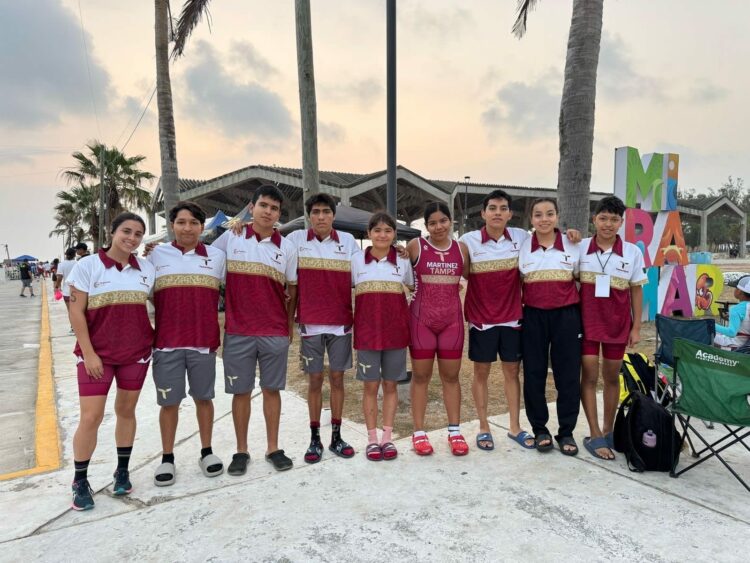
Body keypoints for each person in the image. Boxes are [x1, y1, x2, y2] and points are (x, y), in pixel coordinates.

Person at [67, 212, 155, 511]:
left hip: (136, 354)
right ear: (112, 232)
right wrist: (89, 353)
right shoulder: (87, 266)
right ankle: (80, 481)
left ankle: (122, 472)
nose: (132, 238)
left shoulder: (146, 268)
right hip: (96, 356)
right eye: (126, 231)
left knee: (126, 411)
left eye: (138, 234)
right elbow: (76, 312)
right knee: (91, 417)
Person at [212, 185, 297, 475]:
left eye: (274, 208)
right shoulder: (230, 237)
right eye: (263, 205)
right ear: (251, 208)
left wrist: (289, 325)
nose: (268, 212)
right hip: (238, 331)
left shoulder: (287, 248)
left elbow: (292, 288)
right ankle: (241, 451)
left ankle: (273, 448)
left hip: (274, 332)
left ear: (279, 214)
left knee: (272, 390)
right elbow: (203, 261)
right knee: (241, 392)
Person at [149, 202, 227, 486]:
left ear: (202, 227)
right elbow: (144, 292)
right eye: (181, 222)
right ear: (172, 225)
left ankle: (206, 452)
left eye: (194, 223)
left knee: (204, 399)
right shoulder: (155, 255)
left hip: (203, 343)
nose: (187, 228)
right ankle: (167, 458)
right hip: (166, 343)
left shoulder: (217, 257)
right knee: (169, 403)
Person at [285, 194, 359, 464]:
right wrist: (242, 227)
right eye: (315, 212)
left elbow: (366, 268)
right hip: (310, 324)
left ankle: (336, 437)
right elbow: (267, 242)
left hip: (341, 323)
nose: (321, 217)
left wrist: (398, 252)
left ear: (333, 215)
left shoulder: (348, 242)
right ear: (309, 216)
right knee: (315, 380)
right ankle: (314, 438)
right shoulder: (295, 239)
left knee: (338, 379)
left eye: (326, 212)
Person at [579, 195, 646, 461]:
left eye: (614, 219)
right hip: (586, 324)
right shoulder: (580, 247)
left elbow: (636, 291)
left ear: (621, 222)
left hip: (618, 326)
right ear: (594, 219)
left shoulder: (632, 252)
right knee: (589, 377)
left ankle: (608, 430)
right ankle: (594, 433)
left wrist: (636, 327)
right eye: (603, 218)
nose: (608, 224)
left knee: (611, 378)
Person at [406, 202, 469, 456]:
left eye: (443, 221)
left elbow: (473, 278)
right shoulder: (415, 246)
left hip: (452, 322)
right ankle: (419, 432)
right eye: (432, 223)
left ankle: (454, 431)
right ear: (426, 226)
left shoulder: (461, 249)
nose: (438, 227)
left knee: (451, 378)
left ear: (451, 221)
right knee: (421, 377)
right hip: (421, 321)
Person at [519, 198, 581, 456]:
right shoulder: (522, 246)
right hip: (533, 316)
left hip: (566, 316)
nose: (544, 219)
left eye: (549, 213)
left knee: (568, 375)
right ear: (531, 219)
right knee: (534, 373)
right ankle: (540, 429)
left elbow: (582, 278)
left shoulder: (574, 244)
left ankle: (566, 431)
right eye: (538, 215)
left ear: (557, 216)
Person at [352, 212, 413, 461]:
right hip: (367, 335)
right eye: (377, 230)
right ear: (369, 234)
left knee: (390, 386)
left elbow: (412, 288)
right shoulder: (356, 260)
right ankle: (372, 439)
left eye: (388, 230)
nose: (382, 235)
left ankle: (387, 438)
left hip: (396, 334)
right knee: (370, 386)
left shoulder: (403, 261)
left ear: (394, 234)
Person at [714, 275, 750, 350]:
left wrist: (711, 325)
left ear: (739, 291)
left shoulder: (736, 309)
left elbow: (731, 333)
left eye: (736, 288)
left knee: (705, 333)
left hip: (736, 346)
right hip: (747, 345)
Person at [57, 248, 77, 331]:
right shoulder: (77, 263)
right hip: (78, 291)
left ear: (66, 254)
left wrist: (57, 286)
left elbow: (59, 277)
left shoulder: (61, 264)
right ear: (74, 255)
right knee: (78, 310)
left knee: (70, 310)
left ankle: (73, 328)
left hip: (67, 291)